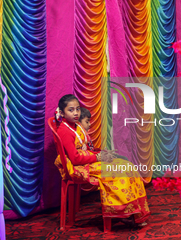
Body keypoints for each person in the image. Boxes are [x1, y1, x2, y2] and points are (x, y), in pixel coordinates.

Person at [54, 94, 150, 226]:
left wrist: (102, 154)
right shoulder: (65, 131)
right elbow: (75, 159)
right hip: (78, 167)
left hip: (88, 162)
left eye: (77, 109)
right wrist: (98, 157)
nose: (76, 113)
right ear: (62, 113)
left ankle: (134, 213)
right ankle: (123, 213)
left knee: (128, 166)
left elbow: (86, 148)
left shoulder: (75, 126)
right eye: (71, 110)